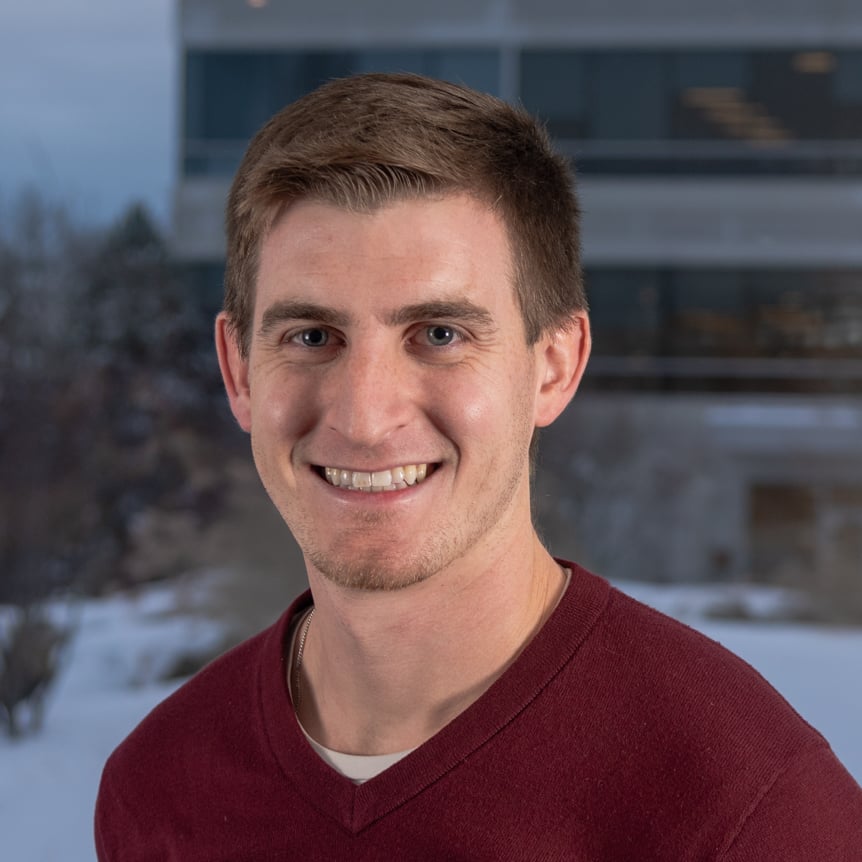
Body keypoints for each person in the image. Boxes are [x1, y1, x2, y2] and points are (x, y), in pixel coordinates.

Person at [95, 72, 862, 860]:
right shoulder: (158, 788)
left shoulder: (753, 809)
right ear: (240, 371)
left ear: (554, 367)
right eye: (313, 337)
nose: (365, 418)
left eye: (438, 335)